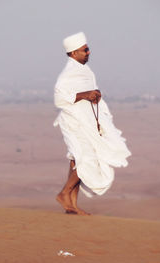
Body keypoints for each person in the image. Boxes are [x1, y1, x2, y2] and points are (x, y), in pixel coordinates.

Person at [53, 32, 131, 215]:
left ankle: (71, 204)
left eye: (88, 49)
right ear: (73, 53)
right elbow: (60, 98)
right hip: (75, 123)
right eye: (85, 50)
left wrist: (94, 96)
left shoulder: (84, 71)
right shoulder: (69, 73)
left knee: (76, 158)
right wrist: (85, 95)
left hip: (86, 120)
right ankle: (64, 194)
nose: (89, 52)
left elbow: (85, 94)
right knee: (84, 158)